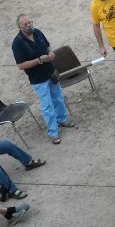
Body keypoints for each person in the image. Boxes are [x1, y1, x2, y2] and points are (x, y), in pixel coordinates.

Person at [12, 14, 75, 145]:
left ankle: (62, 120)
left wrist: (50, 53)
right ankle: (53, 133)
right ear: (19, 27)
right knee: (47, 106)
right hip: (38, 79)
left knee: (58, 98)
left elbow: (47, 46)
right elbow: (20, 65)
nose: (29, 25)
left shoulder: (38, 32)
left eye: (30, 22)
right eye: (25, 24)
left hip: (51, 72)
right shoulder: (17, 44)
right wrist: (39, 60)